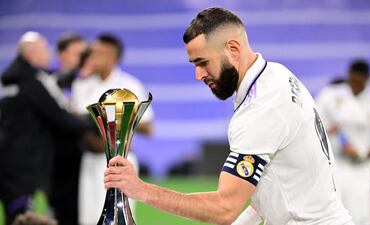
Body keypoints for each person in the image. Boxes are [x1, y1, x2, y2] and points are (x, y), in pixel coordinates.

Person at [103, 7, 354, 225]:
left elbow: (225, 208)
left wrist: (141, 190)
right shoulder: (276, 75)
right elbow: (264, 197)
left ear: (233, 48)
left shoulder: (262, 108)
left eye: (202, 62)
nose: (198, 75)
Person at [0, 32, 95, 225]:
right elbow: (61, 117)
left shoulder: (15, 79)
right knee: (22, 218)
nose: (48, 54)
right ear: (30, 53)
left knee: (16, 216)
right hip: (24, 167)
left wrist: (76, 72)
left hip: (11, 162)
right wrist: (96, 119)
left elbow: (54, 81)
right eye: (44, 48)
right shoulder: (32, 82)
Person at [71, 33, 154, 225]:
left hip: (119, 162)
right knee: (89, 219)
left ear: (112, 57)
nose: (93, 57)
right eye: (92, 53)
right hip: (89, 161)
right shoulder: (82, 85)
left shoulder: (129, 85)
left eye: (99, 53)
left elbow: (148, 126)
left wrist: (115, 119)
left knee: (119, 219)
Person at [316, 60, 370, 225]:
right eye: (352, 80)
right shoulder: (330, 95)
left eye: (358, 82)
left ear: (367, 79)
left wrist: (360, 152)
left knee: (359, 217)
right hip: (333, 166)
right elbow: (312, 125)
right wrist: (328, 130)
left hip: (362, 170)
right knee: (329, 215)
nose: (354, 85)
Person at [49, 33, 89, 225]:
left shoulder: (88, 83)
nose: (83, 60)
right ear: (62, 54)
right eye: (79, 54)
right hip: (58, 163)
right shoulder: (50, 83)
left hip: (85, 160)